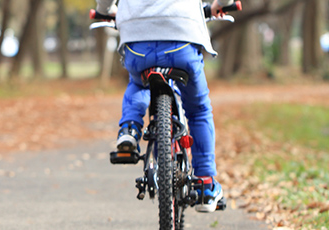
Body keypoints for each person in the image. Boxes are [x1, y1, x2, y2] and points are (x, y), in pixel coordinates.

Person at [95, 0, 233, 213]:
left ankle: (129, 129)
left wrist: (107, 11)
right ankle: (205, 184)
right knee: (198, 110)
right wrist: (223, 4)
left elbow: (105, 3)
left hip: (137, 43)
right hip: (181, 40)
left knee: (138, 82)